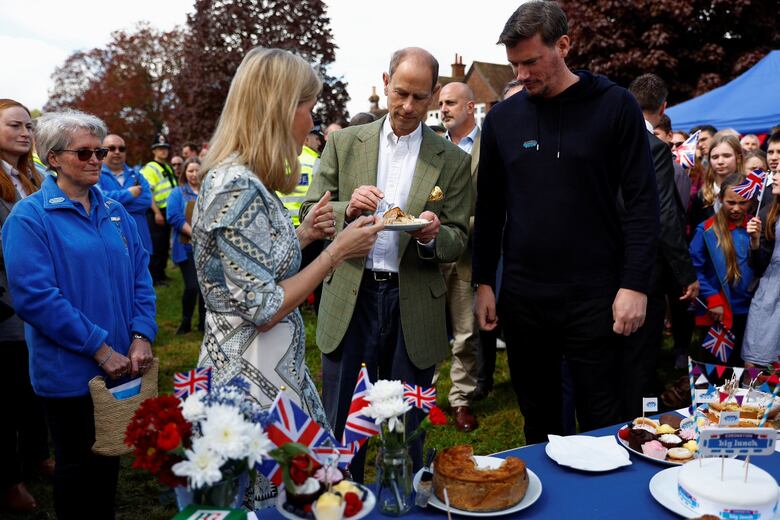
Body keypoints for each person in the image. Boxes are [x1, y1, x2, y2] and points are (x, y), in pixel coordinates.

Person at [192, 48, 382, 507]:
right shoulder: (235, 184)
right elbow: (262, 308)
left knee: (302, 493)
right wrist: (335, 252)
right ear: (281, 109)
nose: (312, 121)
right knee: (277, 500)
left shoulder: (244, 177)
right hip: (251, 375)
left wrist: (302, 236)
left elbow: (249, 266)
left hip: (271, 364)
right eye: (308, 108)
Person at [473, 1, 659, 443]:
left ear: (564, 45)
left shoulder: (614, 106)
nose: (521, 75)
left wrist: (634, 285)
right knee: (539, 420)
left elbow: (642, 202)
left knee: (604, 418)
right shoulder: (502, 119)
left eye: (531, 62)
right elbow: (490, 205)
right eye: (514, 64)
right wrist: (483, 281)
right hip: (526, 298)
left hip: (598, 296)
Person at [300, 47, 472, 480]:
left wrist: (434, 236)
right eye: (400, 94)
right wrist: (345, 209)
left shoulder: (452, 159)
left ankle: (402, 498)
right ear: (384, 82)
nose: (408, 107)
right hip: (350, 298)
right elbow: (307, 212)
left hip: (413, 301)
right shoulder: (342, 143)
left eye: (419, 97)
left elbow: (459, 237)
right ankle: (342, 495)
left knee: (406, 423)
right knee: (342, 419)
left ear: (434, 96)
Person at [3, 109, 156, 519]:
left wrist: (141, 333)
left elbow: (141, 274)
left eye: (100, 153)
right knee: (76, 467)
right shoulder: (30, 217)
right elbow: (35, 297)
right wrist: (100, 348)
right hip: (71, 372)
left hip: (122, 365)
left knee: (109, 459)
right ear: (53, 158)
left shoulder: (115, 212)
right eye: (84, 153)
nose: (95, 161)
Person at [623, 74, 698, 418]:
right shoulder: (652, 148)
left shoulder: (607, 137)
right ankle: (640, 420)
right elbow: (666, 215)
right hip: (641, 268)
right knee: (641, 354)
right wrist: (685, 274)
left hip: (600, 265)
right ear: (663, 107)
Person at [0, 99, 50, 514]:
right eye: (15, 125)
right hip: (4, 301)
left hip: (37, 296)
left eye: (29, 127)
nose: (25, 133)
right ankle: (9, 479)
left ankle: (37, 453)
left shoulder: (32, 178)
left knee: (34, 385)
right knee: (7, 393)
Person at [437, 81, 481, 432]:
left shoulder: (488, 145)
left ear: (470, 106)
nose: (443, 108)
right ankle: (420, 397)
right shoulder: (432, 147)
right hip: (430, 250)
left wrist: (461, 226)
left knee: (466, 330)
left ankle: (461, 400)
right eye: (441, 103)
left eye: (450, 102)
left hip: (469, 251)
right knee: (427, 328)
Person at [689, 174, 760, 367]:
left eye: (742, 203)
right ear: (720, 200)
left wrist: (757, 241)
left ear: (752, 201)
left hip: (750, 311)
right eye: (730, 202)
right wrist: (712, 298)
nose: (736, 208)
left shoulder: (756, 227)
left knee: (745, 365)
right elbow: (694, 269)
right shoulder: (707, 229)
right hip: (718, 312)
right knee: (718, 369)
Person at [743, 173, 780, 368]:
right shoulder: (768, 213)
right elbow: (758, 266)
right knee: (755, 365)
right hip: (769, 295)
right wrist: (755, 241)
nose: (774, 177)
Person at [167, 157, 205, 335]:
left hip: (207, 249)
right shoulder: (178, 193)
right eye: (190, 171)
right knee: (192, 286)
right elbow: (174, 216)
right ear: (185, 173)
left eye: (197, 170)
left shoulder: (209, 191)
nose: (194, 174)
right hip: (186, 248)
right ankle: (186, 321)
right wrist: (195, 234)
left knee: (207, 287)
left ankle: (204, 323)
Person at [99, 133, 153, 254]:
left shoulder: (137, 175)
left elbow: (146, 201)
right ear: (102, 151)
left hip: (140, 239)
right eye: (112, 148)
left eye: (121, 149)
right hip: (111, 242)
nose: (117, 152)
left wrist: (113, 204)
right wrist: (129, 194)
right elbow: (99, 199)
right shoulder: (95, 174)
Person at [141, 133, 177, 285]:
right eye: (160, 148)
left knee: (163, 246)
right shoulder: (150, 168)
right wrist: (156, 213)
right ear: (154, 151)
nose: (163, 151)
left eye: (165, 148)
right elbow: (148, 193)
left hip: (167, 211)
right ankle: (154, 277)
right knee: (157, 245)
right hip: (157, 212)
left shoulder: (167, 167)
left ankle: (161, 274)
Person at [689, 133, 745, 228]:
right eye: (715, 157)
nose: (720, 162)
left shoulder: (750, 191)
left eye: (726, 156)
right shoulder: (702, 195)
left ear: (738, 158)